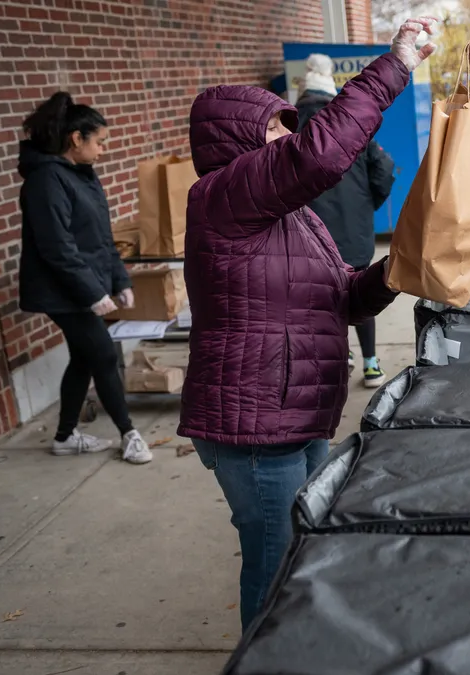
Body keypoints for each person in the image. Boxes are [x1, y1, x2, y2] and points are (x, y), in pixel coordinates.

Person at [178, 17, 437, 631]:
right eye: (271, 127)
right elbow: (318, 154)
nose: (284, 137)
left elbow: (341, 299)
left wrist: (396, 270)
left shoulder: (293, 219)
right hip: (255, 428)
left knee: (304, 555)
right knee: (276, 568)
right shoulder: (217, 197)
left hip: (297, 415)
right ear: (231, 141)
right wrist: (394, 65)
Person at [17, 92, 153, 465]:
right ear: (76, 139)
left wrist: (119, 279)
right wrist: (94, 293)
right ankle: (129, 434)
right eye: (100, 141)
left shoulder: (82, 176)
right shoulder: (46, 181)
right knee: (104, 354)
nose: (103, 150)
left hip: (80, 285)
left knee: (83, 357)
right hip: (59, 289)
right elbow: (56, 247)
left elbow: (101, 236)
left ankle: (64, 437)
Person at [295, 53, 397, 388]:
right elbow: (383, 171)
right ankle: (371, 364)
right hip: (354, 232)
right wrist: (367, 206)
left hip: (306, 235)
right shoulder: (351, 125)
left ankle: (339, 361)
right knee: (360, 290)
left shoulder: (287, 128)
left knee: (318, 299)